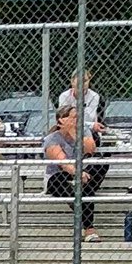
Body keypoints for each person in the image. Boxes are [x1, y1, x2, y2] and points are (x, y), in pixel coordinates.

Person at [43, 104, 108, 242]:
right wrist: (77, 174)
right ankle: (89, 229)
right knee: (77, 186)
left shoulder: (83, 131)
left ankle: (80, 187)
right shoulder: (52, 138)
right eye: (73, 118)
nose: (77, 121)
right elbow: (63, 163)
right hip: (60, 176)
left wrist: (74, 134)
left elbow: (90, 151)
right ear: (61, 120)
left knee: (100, 164)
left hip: (83, 172)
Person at [58, 70, 107, 147]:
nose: (82, 84)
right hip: (68, 129)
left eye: (85, 81)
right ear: (72, 81)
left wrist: (74, 119)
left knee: (92, 138)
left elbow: (89, 118)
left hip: (87, 130)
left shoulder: (94, 96)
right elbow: (64, 120)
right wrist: (92, 125)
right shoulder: (64, 96)